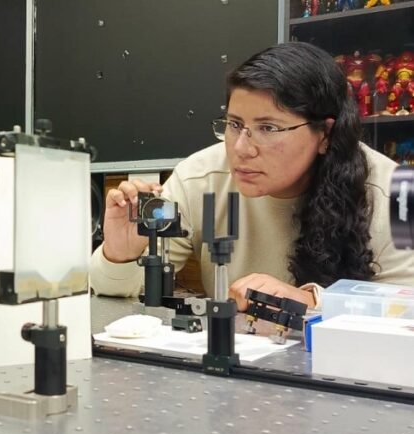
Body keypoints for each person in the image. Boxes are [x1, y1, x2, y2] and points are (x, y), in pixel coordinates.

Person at [90, 42, 414, 315]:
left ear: (325, 134)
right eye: (234, 124)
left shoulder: (399, 192)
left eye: (268, 128)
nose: (241, 149)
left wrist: (314, 302)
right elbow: (120, 295)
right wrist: (120, 255)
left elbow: (407, 305)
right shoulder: (198, 178)